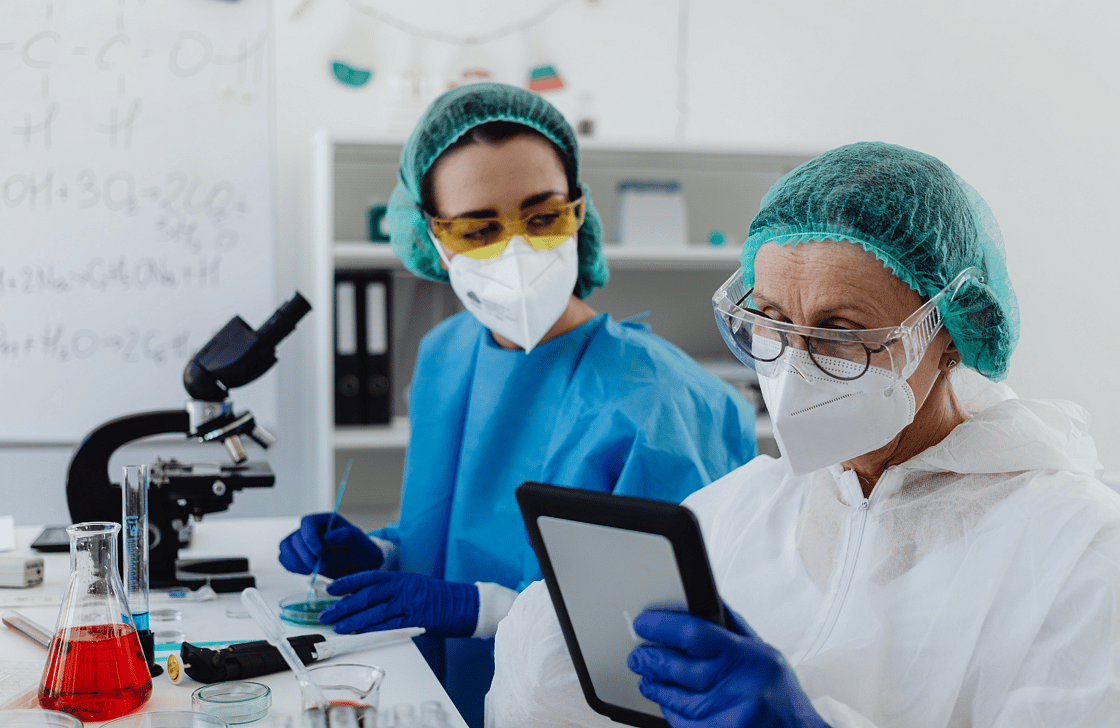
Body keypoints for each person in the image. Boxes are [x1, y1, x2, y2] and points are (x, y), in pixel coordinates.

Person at [487, 141, 1120, 727]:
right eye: (769, 322)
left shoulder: (1075, 547)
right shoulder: (742, 509)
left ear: (952, 331)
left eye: (841, 333)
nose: (793, 368)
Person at [278, 82, 758, 726]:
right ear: (433, 239)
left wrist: (478, 609)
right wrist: (382, 555)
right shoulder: (447, 354)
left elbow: (661, 646)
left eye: (542, 216)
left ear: (579, 210)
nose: (518, 248)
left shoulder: (667, 405)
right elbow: (464, 531)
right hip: (437, 698)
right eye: (478, 228)